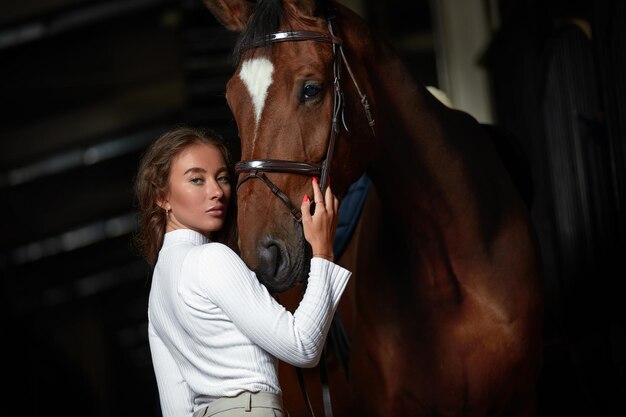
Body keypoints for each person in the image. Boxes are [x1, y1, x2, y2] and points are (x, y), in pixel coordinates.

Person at [134, 127, 351, 417]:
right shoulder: (212, 258)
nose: (216, 192)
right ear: (162, 197)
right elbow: (303, 346)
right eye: (196, 179)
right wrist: (323, 252)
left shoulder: (157, 294)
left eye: (222, 178)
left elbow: (176, 411)